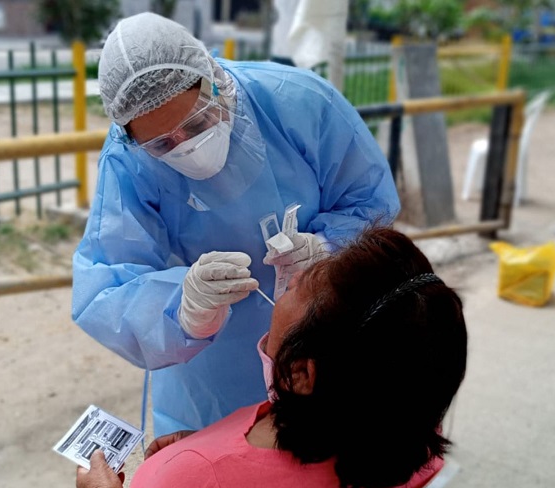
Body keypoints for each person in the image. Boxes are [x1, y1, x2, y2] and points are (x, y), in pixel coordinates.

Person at [71, 12, 401, 437]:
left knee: (320, 457)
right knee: (215, 479)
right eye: (162, 144)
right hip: (208, 372)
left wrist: (328, 248)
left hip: (318, 329)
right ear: (133, 139)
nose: (187, 147)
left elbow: (369, 201)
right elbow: (107, 282)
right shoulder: (128, 161)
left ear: (214, 80)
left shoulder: (297, 102)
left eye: (196, 122)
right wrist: (183, 308)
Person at [75, 225, 468, 488]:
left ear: (300, 375)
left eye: (297, 286)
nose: (289, 283)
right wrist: (210, 448)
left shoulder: (199, 484)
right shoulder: (410, 431)